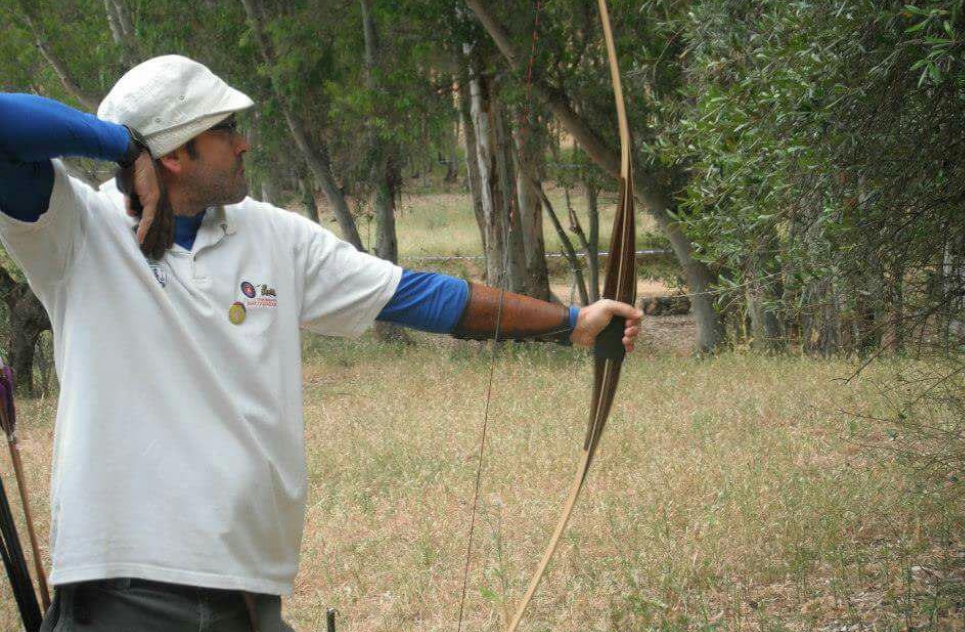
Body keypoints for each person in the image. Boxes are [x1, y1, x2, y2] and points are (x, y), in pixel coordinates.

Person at [0, 55, 642, 631]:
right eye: (226, 129)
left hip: (249, 589)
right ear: (174, 154)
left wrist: (571, 322)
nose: (244, 142)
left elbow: (417, 296)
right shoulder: (75, 231)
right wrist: (120, 144)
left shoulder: (273, 236)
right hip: (128, 588)